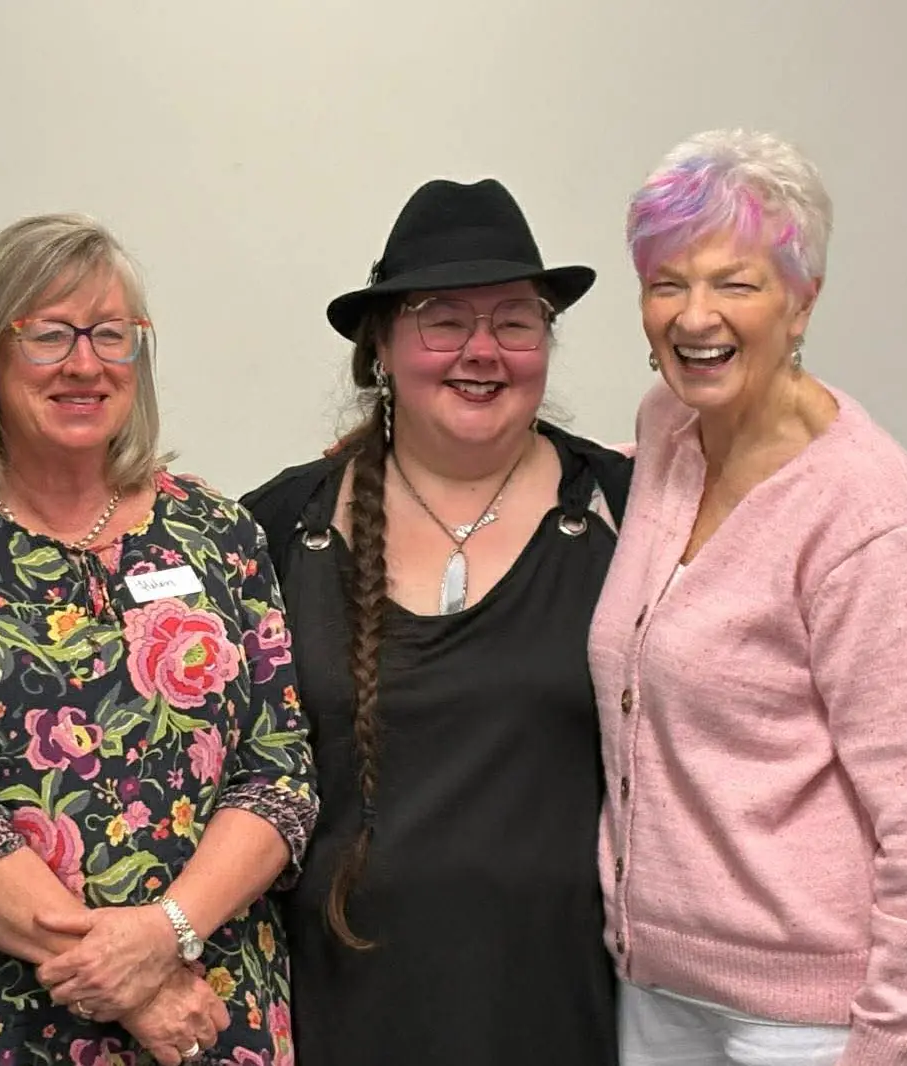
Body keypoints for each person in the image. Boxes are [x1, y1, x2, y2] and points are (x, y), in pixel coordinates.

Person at [0, 213, 317, 1066]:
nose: (85, 363)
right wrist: (132, 976)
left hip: (216, 1015)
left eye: (112, 335)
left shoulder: (217, 531)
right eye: (48, 336)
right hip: (5, 1023)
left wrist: (164, 934)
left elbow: (280, 774)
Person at [591, 128, 907, 1066]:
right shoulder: (671, 431)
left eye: (736, 283)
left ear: (802, 299)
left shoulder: (877, 525)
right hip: (657, 987)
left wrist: (891, 1049)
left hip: (808, 1019)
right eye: (668, 284)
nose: (695, 317)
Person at [241, 179, 632, 1065]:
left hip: (569, 1015)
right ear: (379, 344)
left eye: (515, 320)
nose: (481, 351)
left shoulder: (630, 514)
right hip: (335, 1014)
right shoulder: (272, 531)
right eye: (441, 319)